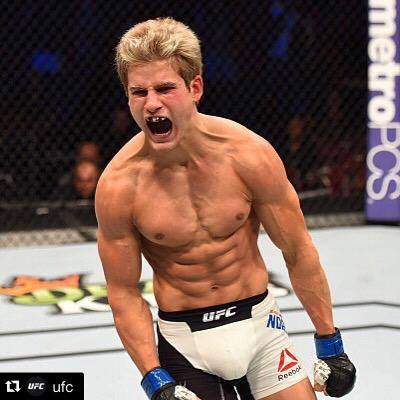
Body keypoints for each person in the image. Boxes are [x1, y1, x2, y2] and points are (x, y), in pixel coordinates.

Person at [95, 17, 356, 400]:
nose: (151, 104)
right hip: (186, 343)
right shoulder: (118, 186)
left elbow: (297, 249)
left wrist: (330, 343)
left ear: (195, 87)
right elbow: (122, 291)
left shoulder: (248, 155)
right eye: (139, 92)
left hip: (261, 328)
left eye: (165, 88)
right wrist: (154, 379)